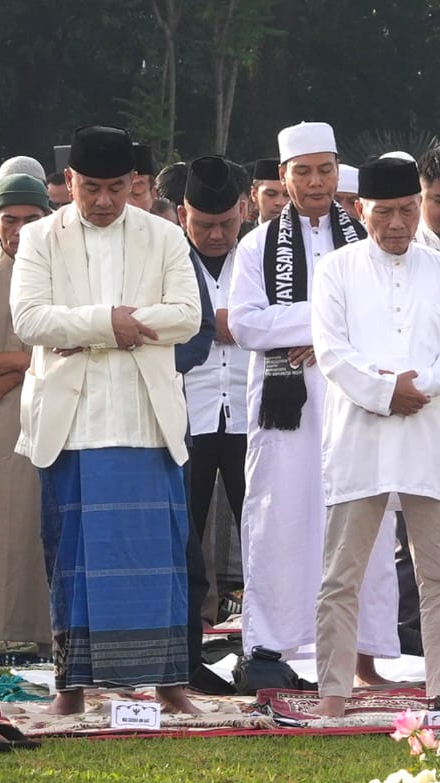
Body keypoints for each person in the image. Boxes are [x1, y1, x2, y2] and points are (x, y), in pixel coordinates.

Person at [10, 125, 202, 715]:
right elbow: (30, 321)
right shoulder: (39, 237)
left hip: (146, 419)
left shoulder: (165, 235)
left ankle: (171, 687)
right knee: (74, 556)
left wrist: (92, 330)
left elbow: (188, 317)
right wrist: (109, 326)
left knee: (159, 557)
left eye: (116, 188)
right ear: (68, 182)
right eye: (90, 187)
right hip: (71, 424)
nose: (102, 200)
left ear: (134, 184)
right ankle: (71, 693)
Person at [228, 122, 400, 674]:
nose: (316, 181)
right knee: (282, 518)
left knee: (363, 523)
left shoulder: (367, 240)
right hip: (289, 406)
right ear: (284, 177)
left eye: (325, 169)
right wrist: (325, 329)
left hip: (355, 399)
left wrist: (320, 339)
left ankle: (365, 655)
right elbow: (248, 325)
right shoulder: (257, 245)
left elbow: (386, 313)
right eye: (302, 171)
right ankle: (276, 645)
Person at [310, 156, 440, 717]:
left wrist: (418, 387)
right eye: (385, 212)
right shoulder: (336, 269)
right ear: (361, 211)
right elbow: (333, 353)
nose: (398, 224)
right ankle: (333, 688)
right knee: (342, 573)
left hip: (429, 434)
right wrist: (386, 394)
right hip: (360, 436)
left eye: (408, 210)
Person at [0, 174, 52, 646]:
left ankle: (44, 633)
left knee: (40, 527)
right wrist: (25, 362)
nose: (20, 230)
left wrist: (17, 368)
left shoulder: (64, 273)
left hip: (52, 411)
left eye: (31, 220)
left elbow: (79, 342)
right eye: (11, 220)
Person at [178, 157, 250, 627]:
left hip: (251, 412)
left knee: (260, 531)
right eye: (204, 225)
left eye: (226, 223)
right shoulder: (168, 260)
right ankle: (184, 639)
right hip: (188, 413)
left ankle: (267, 636)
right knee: (185, 532)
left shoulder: (263, 257)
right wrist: (213, 325)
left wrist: (236, 324)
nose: (217, 235)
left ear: (244, 210)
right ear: (184, 215)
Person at [248, 158, 289, 223]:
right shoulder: (246, 233)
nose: (280, 202)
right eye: (271, 194)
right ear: (254, 194)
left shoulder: (308, 232)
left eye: (287, 195)